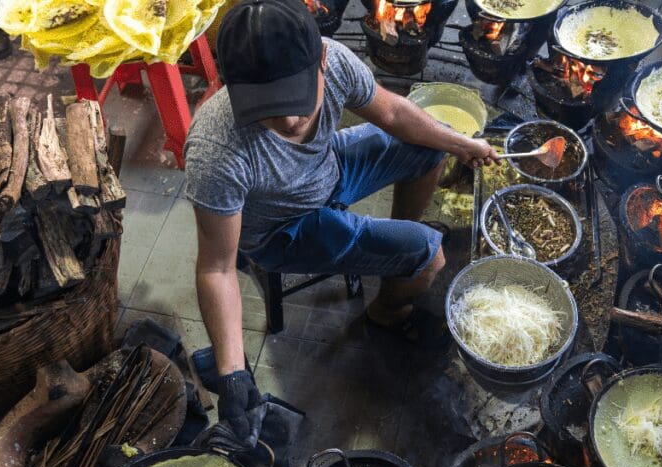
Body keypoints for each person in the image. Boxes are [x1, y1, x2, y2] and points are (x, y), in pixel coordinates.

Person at [183, 0, 497, 442]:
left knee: (429, 148)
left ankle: (395, 254)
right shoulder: (217, 149)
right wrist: (232, 373)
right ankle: (388, 311)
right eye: (267, 108)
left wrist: (461, 143)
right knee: (431, 255)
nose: (289, 120)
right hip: (282, 229)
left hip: (329, 170)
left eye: (296, 99)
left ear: (322, 60)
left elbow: (392, 113)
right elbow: (216, 268)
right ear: (233, 88)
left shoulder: (337, 61)